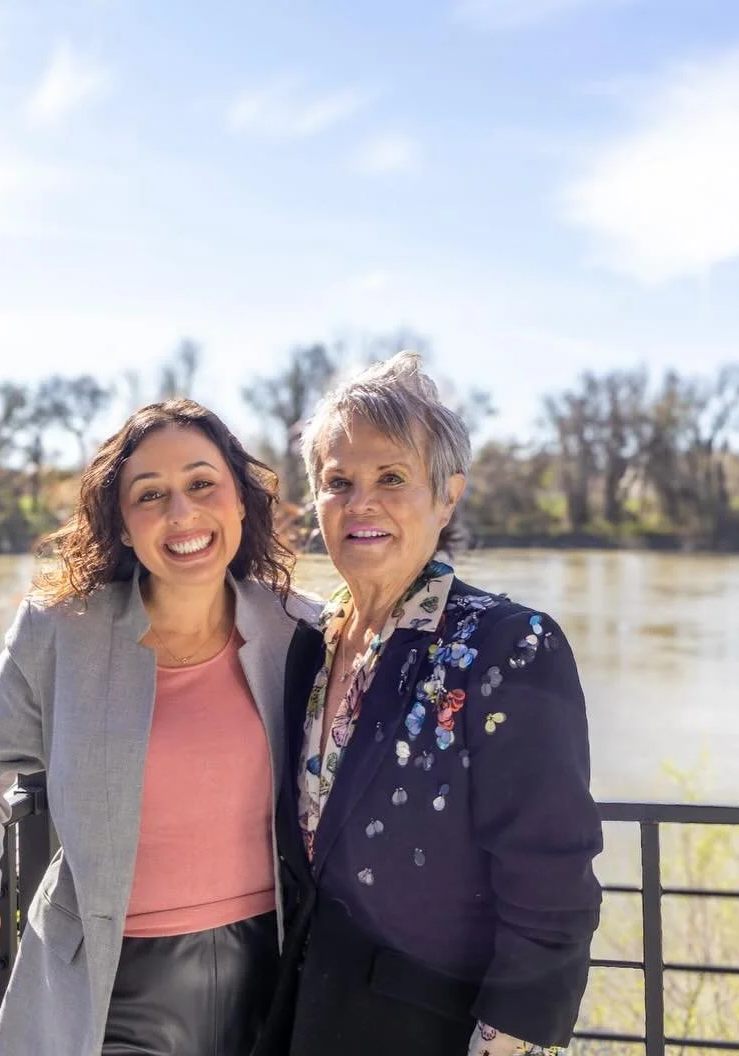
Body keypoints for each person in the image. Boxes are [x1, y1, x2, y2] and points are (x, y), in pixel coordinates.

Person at [0, 399, 317, 1056]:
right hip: (107, 986)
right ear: (124, 526)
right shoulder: (60, 633)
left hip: (272, 976)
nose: (181, 513)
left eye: (202, 484)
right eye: (150, 494)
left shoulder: (303, 631)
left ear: (241, 503)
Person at [268, 353, 602, 1055]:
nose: (362, 503)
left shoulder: (508, 646)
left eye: (392, 478)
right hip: (303, 1022)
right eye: (338, 482)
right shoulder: (306, 645)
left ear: (447, 496)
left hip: (432, 1034)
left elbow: (552, 891)